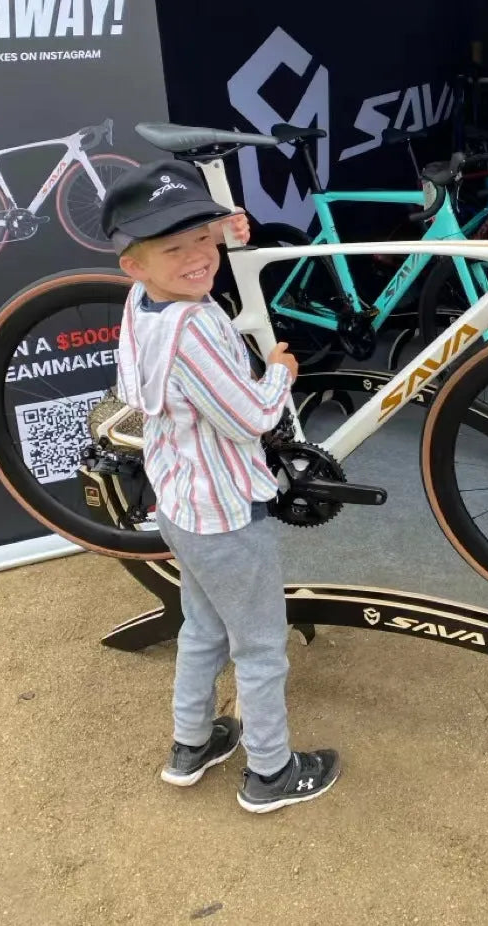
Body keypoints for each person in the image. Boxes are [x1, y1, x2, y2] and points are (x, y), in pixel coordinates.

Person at [100, 159, 340, 813]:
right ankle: (270, 772)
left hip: (177, 500)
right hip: (225, 512)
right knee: (261, 646)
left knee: (202, 624)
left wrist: (220, 230)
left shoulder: (141, 303)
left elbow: (133, 384)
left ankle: (194, 741)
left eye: (203, 239)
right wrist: (280, 372)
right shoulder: (196, 328)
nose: (199, 257)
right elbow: (254, 419)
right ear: (137, 264)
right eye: (175, 248)